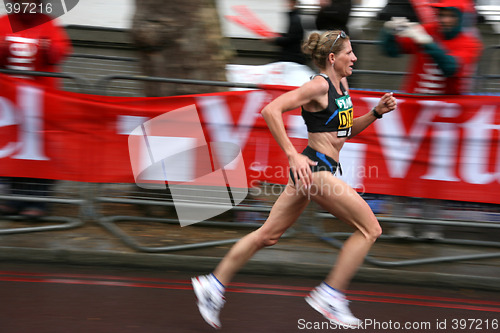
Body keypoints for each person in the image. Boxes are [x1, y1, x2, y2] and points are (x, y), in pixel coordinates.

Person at [192, 30, 397, 329]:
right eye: (349, 53)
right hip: (315, 171)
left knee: (268, 236)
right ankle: (330, 294)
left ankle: (213, 284)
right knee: (370, 229)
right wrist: (291, 154)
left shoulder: (342, 84)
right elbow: (270, 109)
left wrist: (376, 113)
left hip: (314, 171)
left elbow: (345, 131)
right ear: (332, 58)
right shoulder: (318, 85)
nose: (354, 58)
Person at [380, 0, 482, 238]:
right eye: (441, 15)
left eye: (450, 16)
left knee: (437, 170)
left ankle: (430, 225)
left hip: (446, 120)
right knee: (406, 167)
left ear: (460, 18)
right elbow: (391, 50)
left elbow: (451, 68)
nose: (444, 20)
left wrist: (428, 43)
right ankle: (401, 223)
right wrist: (388, 31)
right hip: (413, 116)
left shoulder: (470, 42)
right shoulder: (427, 29)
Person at [0, 0, 72, 218]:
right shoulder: (4, 23)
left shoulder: (47, 23)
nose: (26, 5)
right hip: (9, 106)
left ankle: (37, 202)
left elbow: (62, 52)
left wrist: (50, 49)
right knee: (11, 152)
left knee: (39, 153)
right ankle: (11, 200)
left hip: (40, 106)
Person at [266, 0, 307, 65]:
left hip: (291, 57)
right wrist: (277, 36)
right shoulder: (295, 17)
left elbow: (291, 38)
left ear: (293, 3)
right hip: (291, 57)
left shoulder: (295, 19)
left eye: (288, 2)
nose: (286, 4)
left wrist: (275, 39)